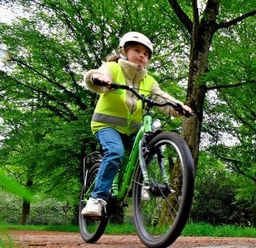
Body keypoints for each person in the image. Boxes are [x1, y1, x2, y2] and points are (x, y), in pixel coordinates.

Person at [81, 32, 192, 217]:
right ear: (124, 51)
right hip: (106, 125)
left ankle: (137, 183)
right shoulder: (113, 68)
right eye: (137, 50)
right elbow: (96, 75)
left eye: (146, 54)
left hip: (132, 129)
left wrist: (178, 107)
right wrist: (98, 79)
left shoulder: (148, 81)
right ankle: (96, 198)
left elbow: (162, 97)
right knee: (115, 152)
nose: (142, 55)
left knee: (147, 147)